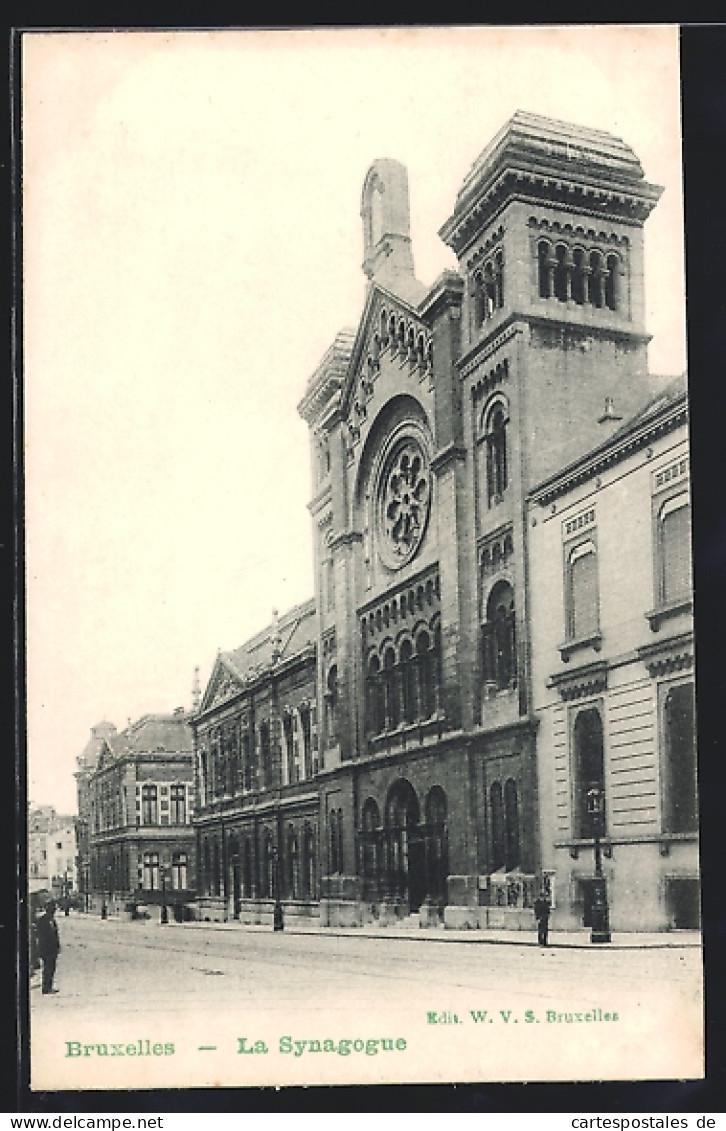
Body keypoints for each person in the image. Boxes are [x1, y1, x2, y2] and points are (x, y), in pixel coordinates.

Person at [35, 899, 61, 994]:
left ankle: (48, 987)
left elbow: (55, 935)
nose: (54, 910)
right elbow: (40, 935)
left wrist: (58, 947)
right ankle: (46, 988)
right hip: (46, 949)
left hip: (52, 949)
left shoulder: (52, 920)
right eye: (52, 908)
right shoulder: (42, 920)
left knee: (51, 968)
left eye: (54, 908)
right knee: (47, 969)